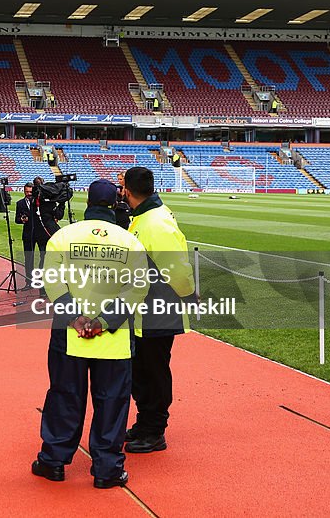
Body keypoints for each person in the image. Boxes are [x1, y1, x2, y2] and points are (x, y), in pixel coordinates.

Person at [34, 179, 148, 489]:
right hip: (114, 336)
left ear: (87, 201)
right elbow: (138, 287)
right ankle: (106, 469)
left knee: (64, 396)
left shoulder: (63, 236)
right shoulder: (129, 241)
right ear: (116, 203)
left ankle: (54, 462)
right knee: (111, 402)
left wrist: (76, 318)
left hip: (69, 334)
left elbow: (52, 281)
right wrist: (102, 321)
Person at [120, 166, 193, 454]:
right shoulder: (145, 217)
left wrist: (188, 296)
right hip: (144, 311)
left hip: (157, 310)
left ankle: (155, 430)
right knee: (142, 370)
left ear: (128, 190)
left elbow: (175, 268)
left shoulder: (154, 223)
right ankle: (145, 422)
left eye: (122, 185)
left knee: (153, 371)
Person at [16, 182, 47, 291]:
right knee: (28, 258)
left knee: (44, 256)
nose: (29, 194)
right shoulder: (19, 203)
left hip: (40, 234)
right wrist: (22, 220)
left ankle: (42, 280)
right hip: (28, 234)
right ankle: (29, 282)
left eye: (30, 192)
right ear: (24, 191)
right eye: (27, 192)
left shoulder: (39, 202)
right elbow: (17, 219)